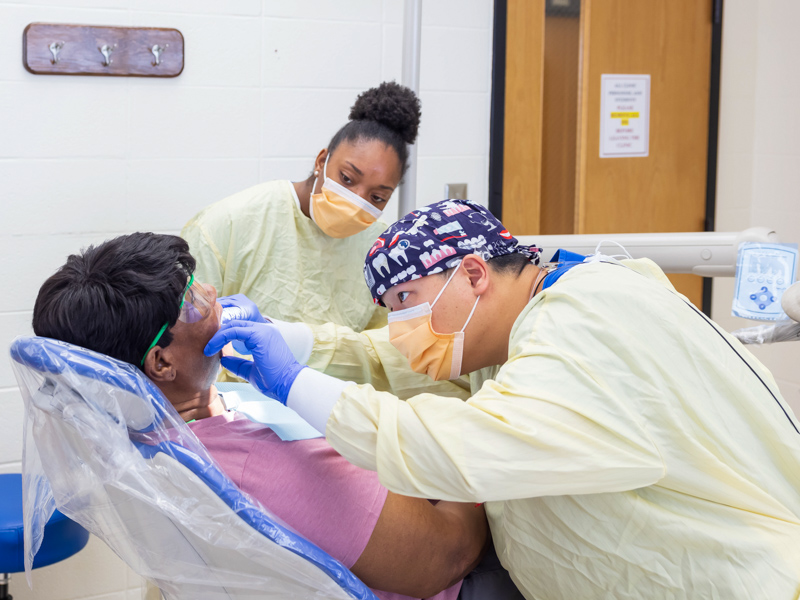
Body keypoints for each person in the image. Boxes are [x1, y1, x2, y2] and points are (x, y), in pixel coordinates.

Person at [208, 199, 800, 600]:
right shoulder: (516, 330)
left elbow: (458, 450)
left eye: (407, 303)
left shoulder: (584, 327)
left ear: (472, 274)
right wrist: (291, 340)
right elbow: (382, 358)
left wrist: (293, 384)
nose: (401, 329)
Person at [30, 232, 490, 600]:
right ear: (161, 364)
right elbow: (444, 558)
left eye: (198, 282)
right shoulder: (262, 468)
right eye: (193, 300)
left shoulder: (146, 440)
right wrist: (474, 470)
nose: (213, 294)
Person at [181, 81, 420, 338]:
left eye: (377, 197)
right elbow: (185, 336)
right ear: (321, 161)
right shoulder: (228, 224)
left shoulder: (383, 250)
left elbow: (384, 347)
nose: (355, 202)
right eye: (347, 179)